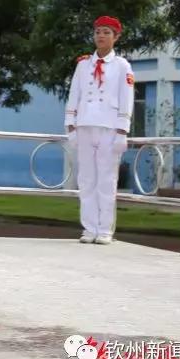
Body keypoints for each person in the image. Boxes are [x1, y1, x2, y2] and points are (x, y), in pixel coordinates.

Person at [65, 16, 134, 246]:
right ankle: (89, 228)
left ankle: (105, 229)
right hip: (85, 124)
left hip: (109, 127)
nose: (101, 36)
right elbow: (74, 95)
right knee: (86, 180)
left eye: (106, 32)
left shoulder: (122, 65)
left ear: (116, 36)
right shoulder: (83, 64)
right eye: (97, 32)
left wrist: (123, 131)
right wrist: (71, 126)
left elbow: (127, 99)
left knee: (106, 179)